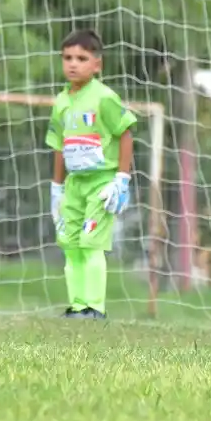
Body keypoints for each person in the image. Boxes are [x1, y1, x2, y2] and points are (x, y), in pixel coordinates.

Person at [47, 29, 137, 320]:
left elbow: (125, 133)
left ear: (97, 64)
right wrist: (56, 188)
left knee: (91, 242)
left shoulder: (104, 98)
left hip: (102, 183)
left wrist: (122, 179)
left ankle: (94, 308)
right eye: (68, 58)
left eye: (81, 58)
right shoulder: (61, 102)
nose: (73, 64)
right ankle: (77, 306)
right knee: (70, 243)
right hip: (74, 185)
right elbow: (58, 146)